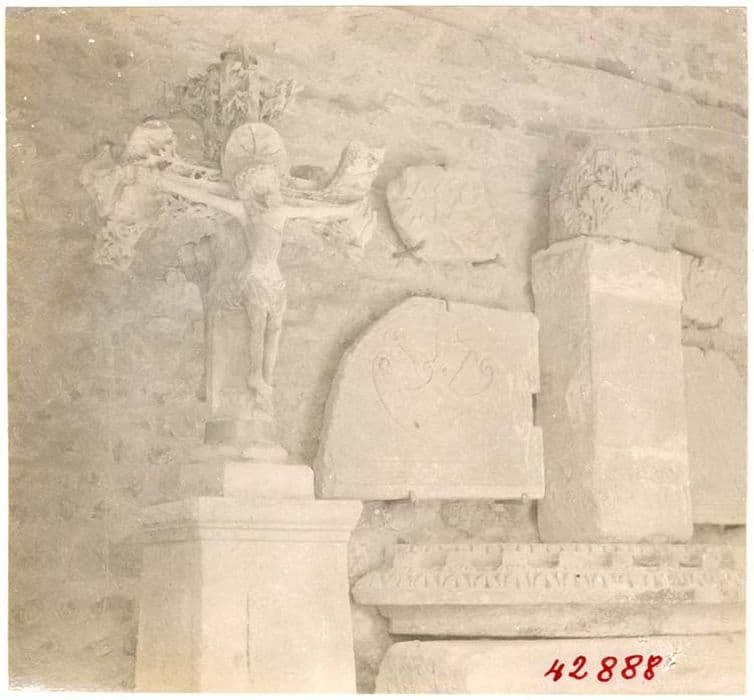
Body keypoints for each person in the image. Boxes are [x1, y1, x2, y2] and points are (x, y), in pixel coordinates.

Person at [143, 124, 362, 415]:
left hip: (274, 280)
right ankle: (255, 374)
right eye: (265, 189)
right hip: (254, 277)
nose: (271, 193)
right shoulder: (247, 212)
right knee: (258, 326)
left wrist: (347, 210)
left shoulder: (280, 212)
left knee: (275, 327)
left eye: (272, 187)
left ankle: (265, 380)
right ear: (253, 192)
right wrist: (165, 183)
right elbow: (208, 198)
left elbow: (315, 212)